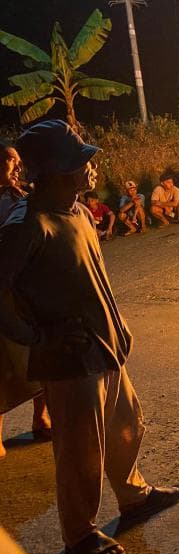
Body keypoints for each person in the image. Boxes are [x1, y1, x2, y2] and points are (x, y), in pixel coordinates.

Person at [2, 120, 179, 554]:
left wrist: (118, 323)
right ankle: (80, 539)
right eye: (82, 159)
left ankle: (134, 495)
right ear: (58, 170)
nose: (91, 166)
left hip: (105, 347)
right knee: (80, 450)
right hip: (67, 361)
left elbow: (93, 278)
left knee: (127, 426)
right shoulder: (26, 226)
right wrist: (35, 337)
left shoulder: (80, 213)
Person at [0, 139, 50, 460]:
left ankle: (41, 417)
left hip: (30, 287)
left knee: (40, 352)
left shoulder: (24, 194)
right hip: (3, 286)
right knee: (3, 359)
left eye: (18, 161)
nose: (17, 166)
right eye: (10, 161)